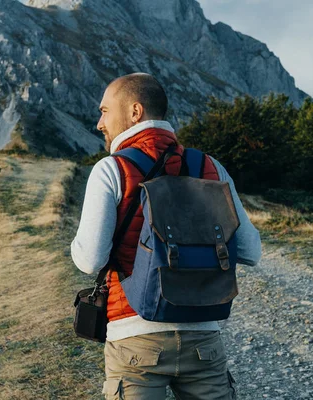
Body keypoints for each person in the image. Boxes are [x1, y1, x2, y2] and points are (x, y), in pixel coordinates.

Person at [70, 73, 262, 399]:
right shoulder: (209, 166)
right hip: (203, 336)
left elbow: (90, 261)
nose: (99, 123)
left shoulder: (111, 169)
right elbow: (250, 250)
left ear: (135, 111)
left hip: (134, 339)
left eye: (104, 111)